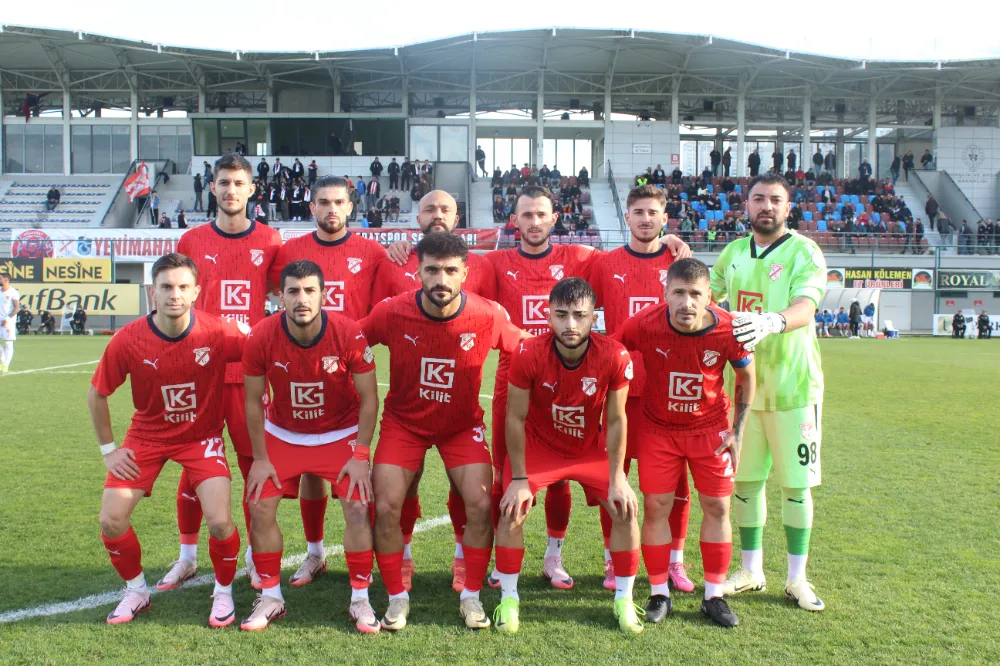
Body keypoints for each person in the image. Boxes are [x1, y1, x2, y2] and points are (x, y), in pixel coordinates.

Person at [361, 233, 526, 631]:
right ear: (417, 272)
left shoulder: (488, 315)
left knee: (480, 505)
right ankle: (397, 598)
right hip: (404, 424)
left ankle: (470, 595)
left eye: (451, 270)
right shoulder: (392, 311)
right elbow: (350, 341)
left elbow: (529, 349)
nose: (441, 279)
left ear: (465, 273)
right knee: (384, 505)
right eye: (432, 269)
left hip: (461, 426)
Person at [88, 253, 246, 626]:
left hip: (200, 437)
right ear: (152, 293)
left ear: (196, 292)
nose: (175, 294)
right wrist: (109, 451)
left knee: (221, 522)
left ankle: (223, 593)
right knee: (111, 520)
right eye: (166, 287)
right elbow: (97, 393)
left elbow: (268, 348)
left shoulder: (219, 332)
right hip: (147, 437)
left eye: (183, 287)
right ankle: (137, 590)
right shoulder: (128, 340)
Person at [240, 260, 380, 633]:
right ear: (280, 296)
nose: (301, 299)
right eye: (293, 291)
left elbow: (369, 398)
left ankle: (361, 599)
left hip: (339, 431)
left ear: (323, 294)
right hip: (284, 433)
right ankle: (270, 596)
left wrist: (361, 455)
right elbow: (253, 401)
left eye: (309, 290)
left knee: (356, 504)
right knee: (260, 502)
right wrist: (259, 458)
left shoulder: (348, 333)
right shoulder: (261, 335)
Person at [494, 278, 640, 634]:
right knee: (511, 509)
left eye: (579, 315)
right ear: (548, 315)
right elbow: (515, 417)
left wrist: (618, 476)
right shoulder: (528, 352)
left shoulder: (615, 354)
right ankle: (508, 599)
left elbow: (618, 418)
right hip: (540, 446)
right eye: (561, 315)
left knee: (625, 509)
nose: (570, 324)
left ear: (594, 318)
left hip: (590, 448)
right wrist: (517, 479)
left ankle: (624, 598)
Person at [710, 172, 828, 612]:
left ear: (788, 207)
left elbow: (806, 304)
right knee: (745, 481)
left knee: (796, 487)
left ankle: (797, 578)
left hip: (795, 388)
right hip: (745, 389)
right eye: (758, 199)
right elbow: (708, 296)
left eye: (775, 200)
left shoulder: (805, 251)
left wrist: (773, 321)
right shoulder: (735, 252)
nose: (766, 206)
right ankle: (752, 569)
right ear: (746, 206)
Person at [615, 258, 754, 627]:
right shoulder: (645, 323)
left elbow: (746, 377)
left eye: (695, 294)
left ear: (710, 296)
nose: (686, 303)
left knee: (718, 509)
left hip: (710, 432)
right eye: (678, 293)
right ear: (666, 293)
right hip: (658, 429)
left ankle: (714, 596)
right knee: (657, 507)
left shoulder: (728, 329)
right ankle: (659, 591)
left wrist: (737, 431)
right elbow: (611, 351)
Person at [266, 176, 391, 578]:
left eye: (339, 202)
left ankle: (369, 568)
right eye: (323, 202)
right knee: (307, 470)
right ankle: (316, 552)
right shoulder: (290, 251)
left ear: (352, 207)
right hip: (297, 371)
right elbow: (278, 299)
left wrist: (353, 345)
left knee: (353, 480)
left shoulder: (372, 252)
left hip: (350, 374)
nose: (331, 209)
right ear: (311, 207)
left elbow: (385, 303)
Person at [169, 153, 283, 592]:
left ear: (252, 189)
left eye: (239, 183)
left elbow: (281, 293)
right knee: (194, 467)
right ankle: (187, 557)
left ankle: (257, 557)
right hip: (200, 374)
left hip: (249, 375)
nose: (231, 190)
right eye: (223, 183)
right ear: (212, 188)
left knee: (254, 464)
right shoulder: (192, 240)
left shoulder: (271, 239)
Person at [588, 184, 694, 593]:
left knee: (676, 483)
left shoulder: (679, 261)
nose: (646, 218)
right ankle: (614, 561)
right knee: (613, 477)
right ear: (626, 217)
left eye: (653, 212)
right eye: (639, 212)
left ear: (664, 218)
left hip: (668, 392)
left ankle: (675, 561)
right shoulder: (604, 263)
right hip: (618, 391)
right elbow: (575, 305)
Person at [0, 273, 20, 373]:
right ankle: (2, 362)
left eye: (0, 278)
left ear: (6, 280)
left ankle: (6, 365)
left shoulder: (13, 292)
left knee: (8, 343)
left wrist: (7, 319)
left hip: (8, 322)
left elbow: (17, 308)